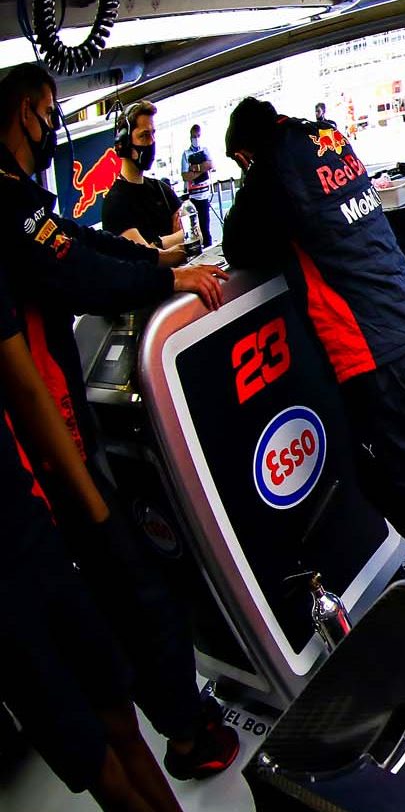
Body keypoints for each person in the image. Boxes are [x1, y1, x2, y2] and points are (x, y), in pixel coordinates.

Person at [0, 63, 236, 782]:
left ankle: (170, 721)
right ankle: (188, 732)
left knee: (127, 593)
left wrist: (152, 256)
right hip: (53, 459)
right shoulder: (2, 207)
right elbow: (77, 273)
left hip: (59, 450)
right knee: (137, 591)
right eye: (47, 112)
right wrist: (168, 278)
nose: (52, 127)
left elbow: (76, 242)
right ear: (24, 111)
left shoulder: (21, 201)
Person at [222, 97, 405, 626]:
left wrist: (252, 176)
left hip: (371, 342)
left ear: (244, 152)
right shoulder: (325, 139)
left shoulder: (271, 166)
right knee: (384, 476)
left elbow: (240, 244)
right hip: (399, 320)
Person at [100, 101, 186, 250]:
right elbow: (147, 256)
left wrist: (158, 244)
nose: (152, 141)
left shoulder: (162, 190)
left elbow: (196, 235)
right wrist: (176, 240)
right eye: (144, 135)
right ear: (124, 143)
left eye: (153, 134)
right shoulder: (115, 203)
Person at [180, 124, 213, 246]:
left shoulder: (205, 150)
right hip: (193, 198)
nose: (196, 138)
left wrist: (195, 169)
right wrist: (202, 170)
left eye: (198, 136)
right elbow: (185, 176)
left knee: (206, 229)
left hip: (205, 195)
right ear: (190, 137)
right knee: (195, 230)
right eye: (194, 136)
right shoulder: (186, 154)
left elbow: (210, 165)